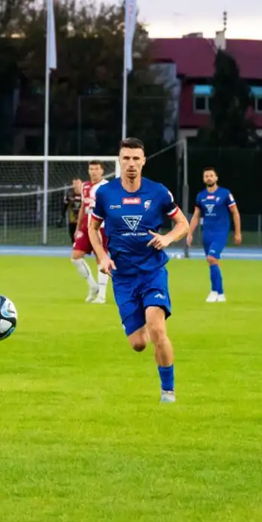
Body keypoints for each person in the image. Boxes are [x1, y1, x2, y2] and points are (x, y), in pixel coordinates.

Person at [89, 138, 190, 403]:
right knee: (139, 344)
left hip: (152, 272)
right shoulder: (105, 194)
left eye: (136, 158)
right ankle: (143, 319)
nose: (131, 164)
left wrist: (167, 239)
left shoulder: (158, 192)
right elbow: (92, 228)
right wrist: (102, 257)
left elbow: (182, 223)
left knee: (158, 330)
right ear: (119, 161)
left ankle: (168, 393)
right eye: (126, 158)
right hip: (122, 277)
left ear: (144, 161)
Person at [186, 167, 242, 302]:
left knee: (212, 258)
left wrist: (238, 232)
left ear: (216, 178)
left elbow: (235, 212)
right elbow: (196, 215)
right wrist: (189, 233)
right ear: (203, 179)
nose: (209, 178)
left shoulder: (225, 194)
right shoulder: (201, 196)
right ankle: (221, 293)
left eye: (211, 175)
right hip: (207, 233)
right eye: (206, 176)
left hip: (220, 232)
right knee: (212, 262)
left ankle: (214, 291)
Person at [71, 160, 111, 303]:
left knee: (100, 258)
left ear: (102, 171)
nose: (94, 171)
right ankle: (93, 286)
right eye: (91, 169)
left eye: (96, 169)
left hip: (101, 226)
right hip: (86, 226)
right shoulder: (85, 186)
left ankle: (102, 295)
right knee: (75, 256)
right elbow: (83, 206)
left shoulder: (107, 186)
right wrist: (78, 227)